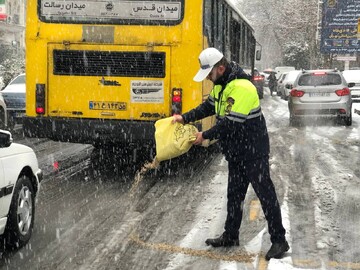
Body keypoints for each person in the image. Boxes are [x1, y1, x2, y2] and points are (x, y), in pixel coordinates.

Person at [172, 47, 289, 260]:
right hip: (236, 151)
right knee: (234, 195)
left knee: (265, 195)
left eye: (209, 73)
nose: (208, 77)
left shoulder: (243, 87)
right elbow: (207, 108)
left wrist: (204, 135)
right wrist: (184, 117)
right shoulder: (221, 85)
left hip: (253, 150)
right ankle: (231, 235)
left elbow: (231, 124)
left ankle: (279, 240)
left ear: (221, 68)